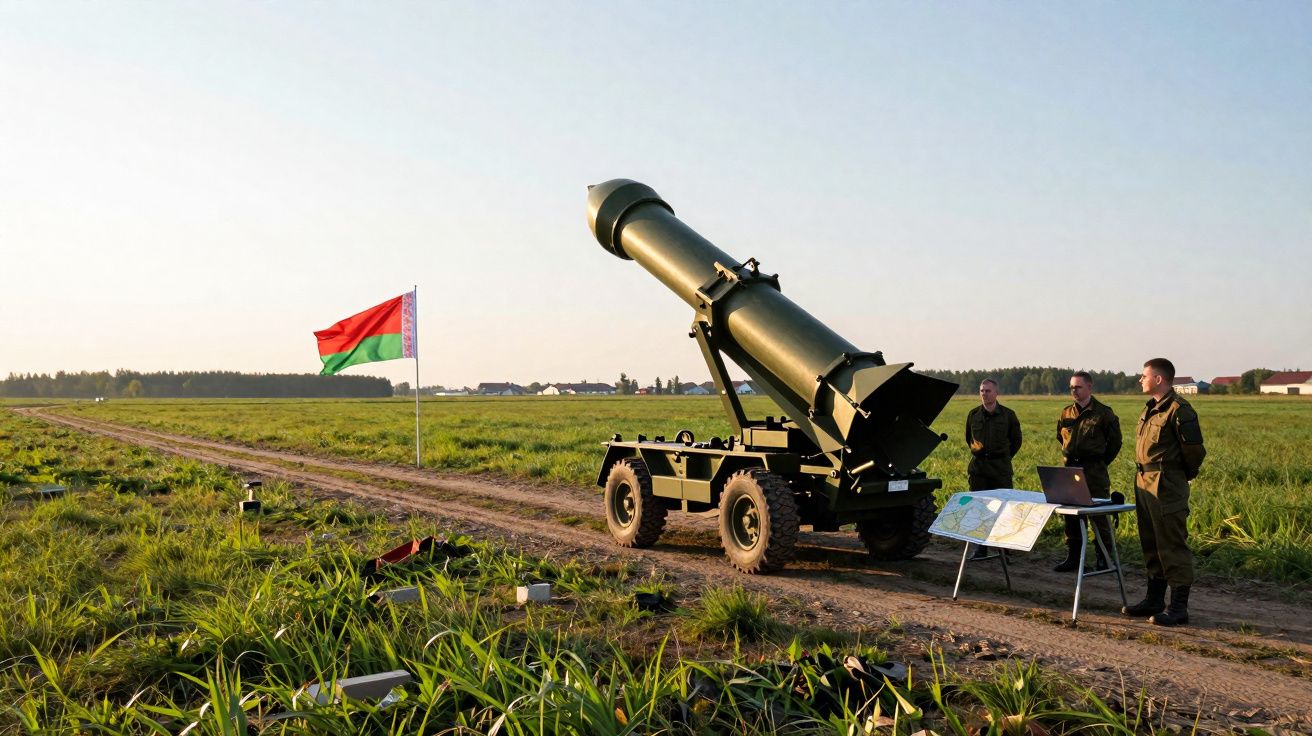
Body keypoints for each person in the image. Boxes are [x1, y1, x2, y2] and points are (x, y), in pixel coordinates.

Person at [1122, 358, 1206, 626]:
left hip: (1166, 483)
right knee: (1151, 543)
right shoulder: (1150, 409)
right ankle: (1154, 599)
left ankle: (1178, 607)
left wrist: (1179, 477)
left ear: (1158, 379)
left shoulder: (1179, 410)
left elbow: (1194, 451)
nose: (1140, 380)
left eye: (1144, 376)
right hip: (1144, 481)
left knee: (1171, 544)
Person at [1053, 371, 1122, 572]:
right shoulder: (1066, 413)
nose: (1074, 390)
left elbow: (1115, 443)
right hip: (1070, 470)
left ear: (1089, 387)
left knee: (1099, 516)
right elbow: (1061, 437)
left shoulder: (1104, 413)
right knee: (1072, 516)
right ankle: (1074, 557)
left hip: (1094, 472)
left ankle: (1104, 558)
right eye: (1072, 387)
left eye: (1078, 387)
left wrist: (1099, 462)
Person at [965, 378, 1023, 558]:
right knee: (979, 508)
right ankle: (980, 547)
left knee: (1004, 508)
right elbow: (969, 438)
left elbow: (1016, 441)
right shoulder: (973, 414)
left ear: (996, 393)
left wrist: (1002, 457)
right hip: (979, 468)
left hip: (1000, 467)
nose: (984, 394)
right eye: (982, 391)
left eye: (988, 391)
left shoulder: (1008, 415)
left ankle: (1003, 546)